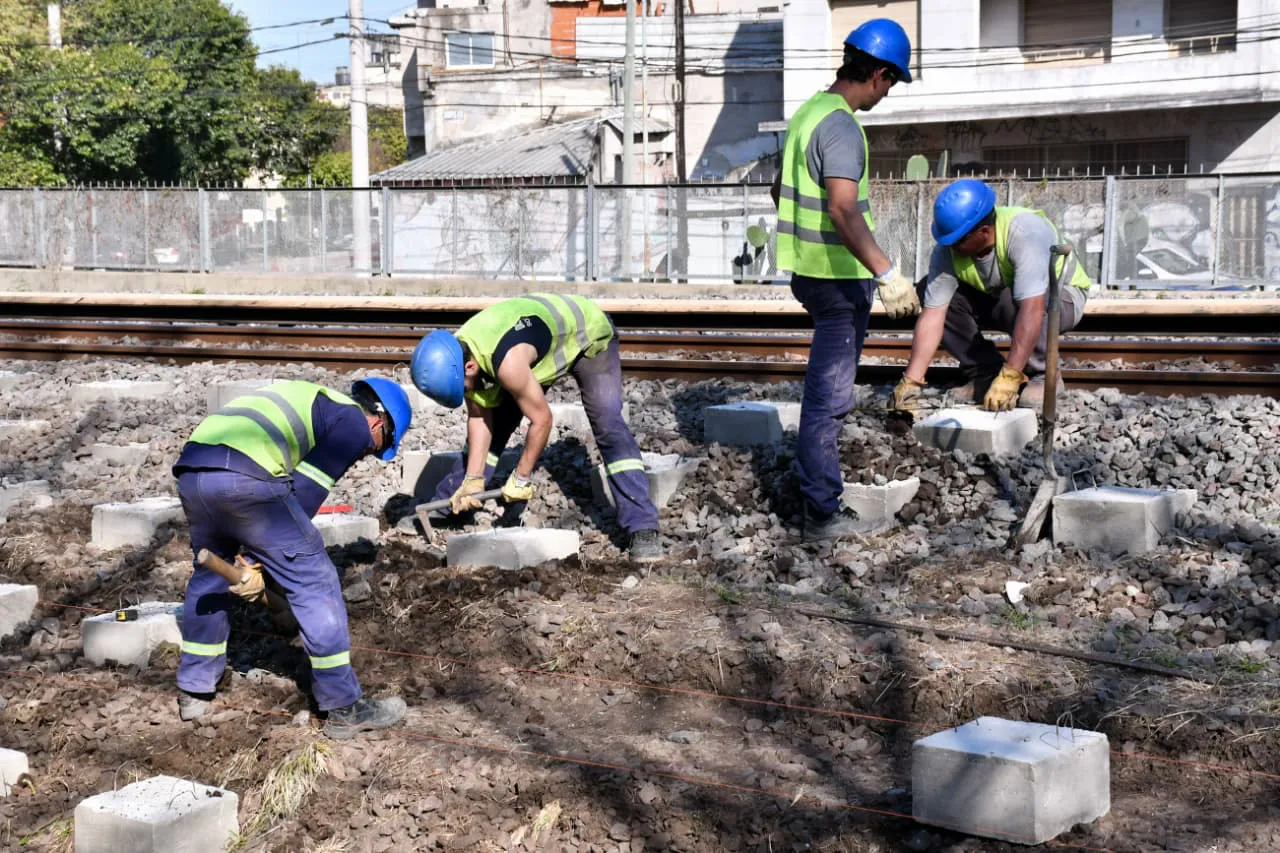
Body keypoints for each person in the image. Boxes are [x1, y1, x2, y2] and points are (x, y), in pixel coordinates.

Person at [172, 378, 412, 740]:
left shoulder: (316, 399)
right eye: (379, 447)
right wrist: (255, 560)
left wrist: (249, 557)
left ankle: (194, 689)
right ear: (379, 422)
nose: (369, 454)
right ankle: (344, 706)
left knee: (210, 576)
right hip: (246, 473)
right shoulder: (351, 421)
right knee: (316, 580)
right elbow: (306, 491)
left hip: (195, 469)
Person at [769, 18, 921, 542]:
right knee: (828, 397)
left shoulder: (808, 113)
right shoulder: (840, 125)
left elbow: (779, 192)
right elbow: (842, 209)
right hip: (836, 278)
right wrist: (887, 273)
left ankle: (819, 496)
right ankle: (821, 511)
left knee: (831, 393)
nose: (888, 92)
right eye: (891, 82)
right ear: (877, 73)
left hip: (808, 271)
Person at [410, 294, 661, 563]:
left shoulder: (505, 363)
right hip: (537, 349)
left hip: (587, 336)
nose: (465, 393)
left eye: (462, 389)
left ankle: (642, 526)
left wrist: (521, 476)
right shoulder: (455, 353)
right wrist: (473, 478)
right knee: (499, 419)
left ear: (469, 368)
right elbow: (480, 419)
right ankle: (454, 501)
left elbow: (542, 420)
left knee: (607, 423)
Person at [891, 179, 1092, 412]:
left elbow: (1032, 307)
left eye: (958, 241)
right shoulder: (948, 249)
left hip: (1061, 300)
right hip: (1007, 300)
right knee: (932, 290)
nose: (951, 247)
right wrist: (911, 380)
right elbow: (934, 314)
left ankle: (1043, 375)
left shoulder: (1025, 232)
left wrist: (1011, 375)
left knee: (1015, 297)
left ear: (984, 231)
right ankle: (985, 374)